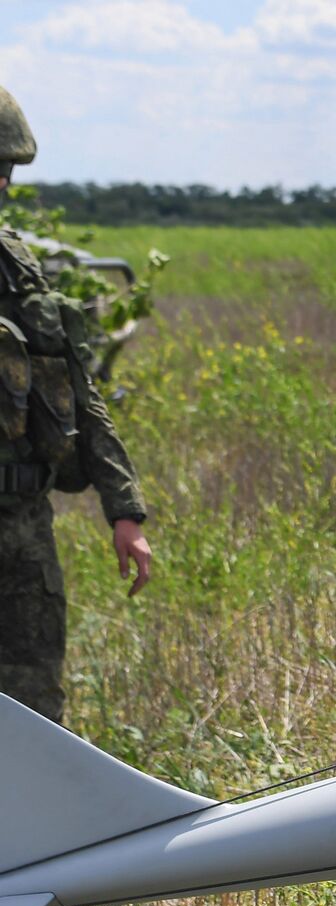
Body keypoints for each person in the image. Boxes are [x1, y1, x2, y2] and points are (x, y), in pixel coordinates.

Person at [0, 85, 150, 724]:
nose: (3, 182)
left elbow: (79, 392)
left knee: (36, 715)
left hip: (22, 530)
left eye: (6, 169)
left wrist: (125, 511)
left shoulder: (18, 267)